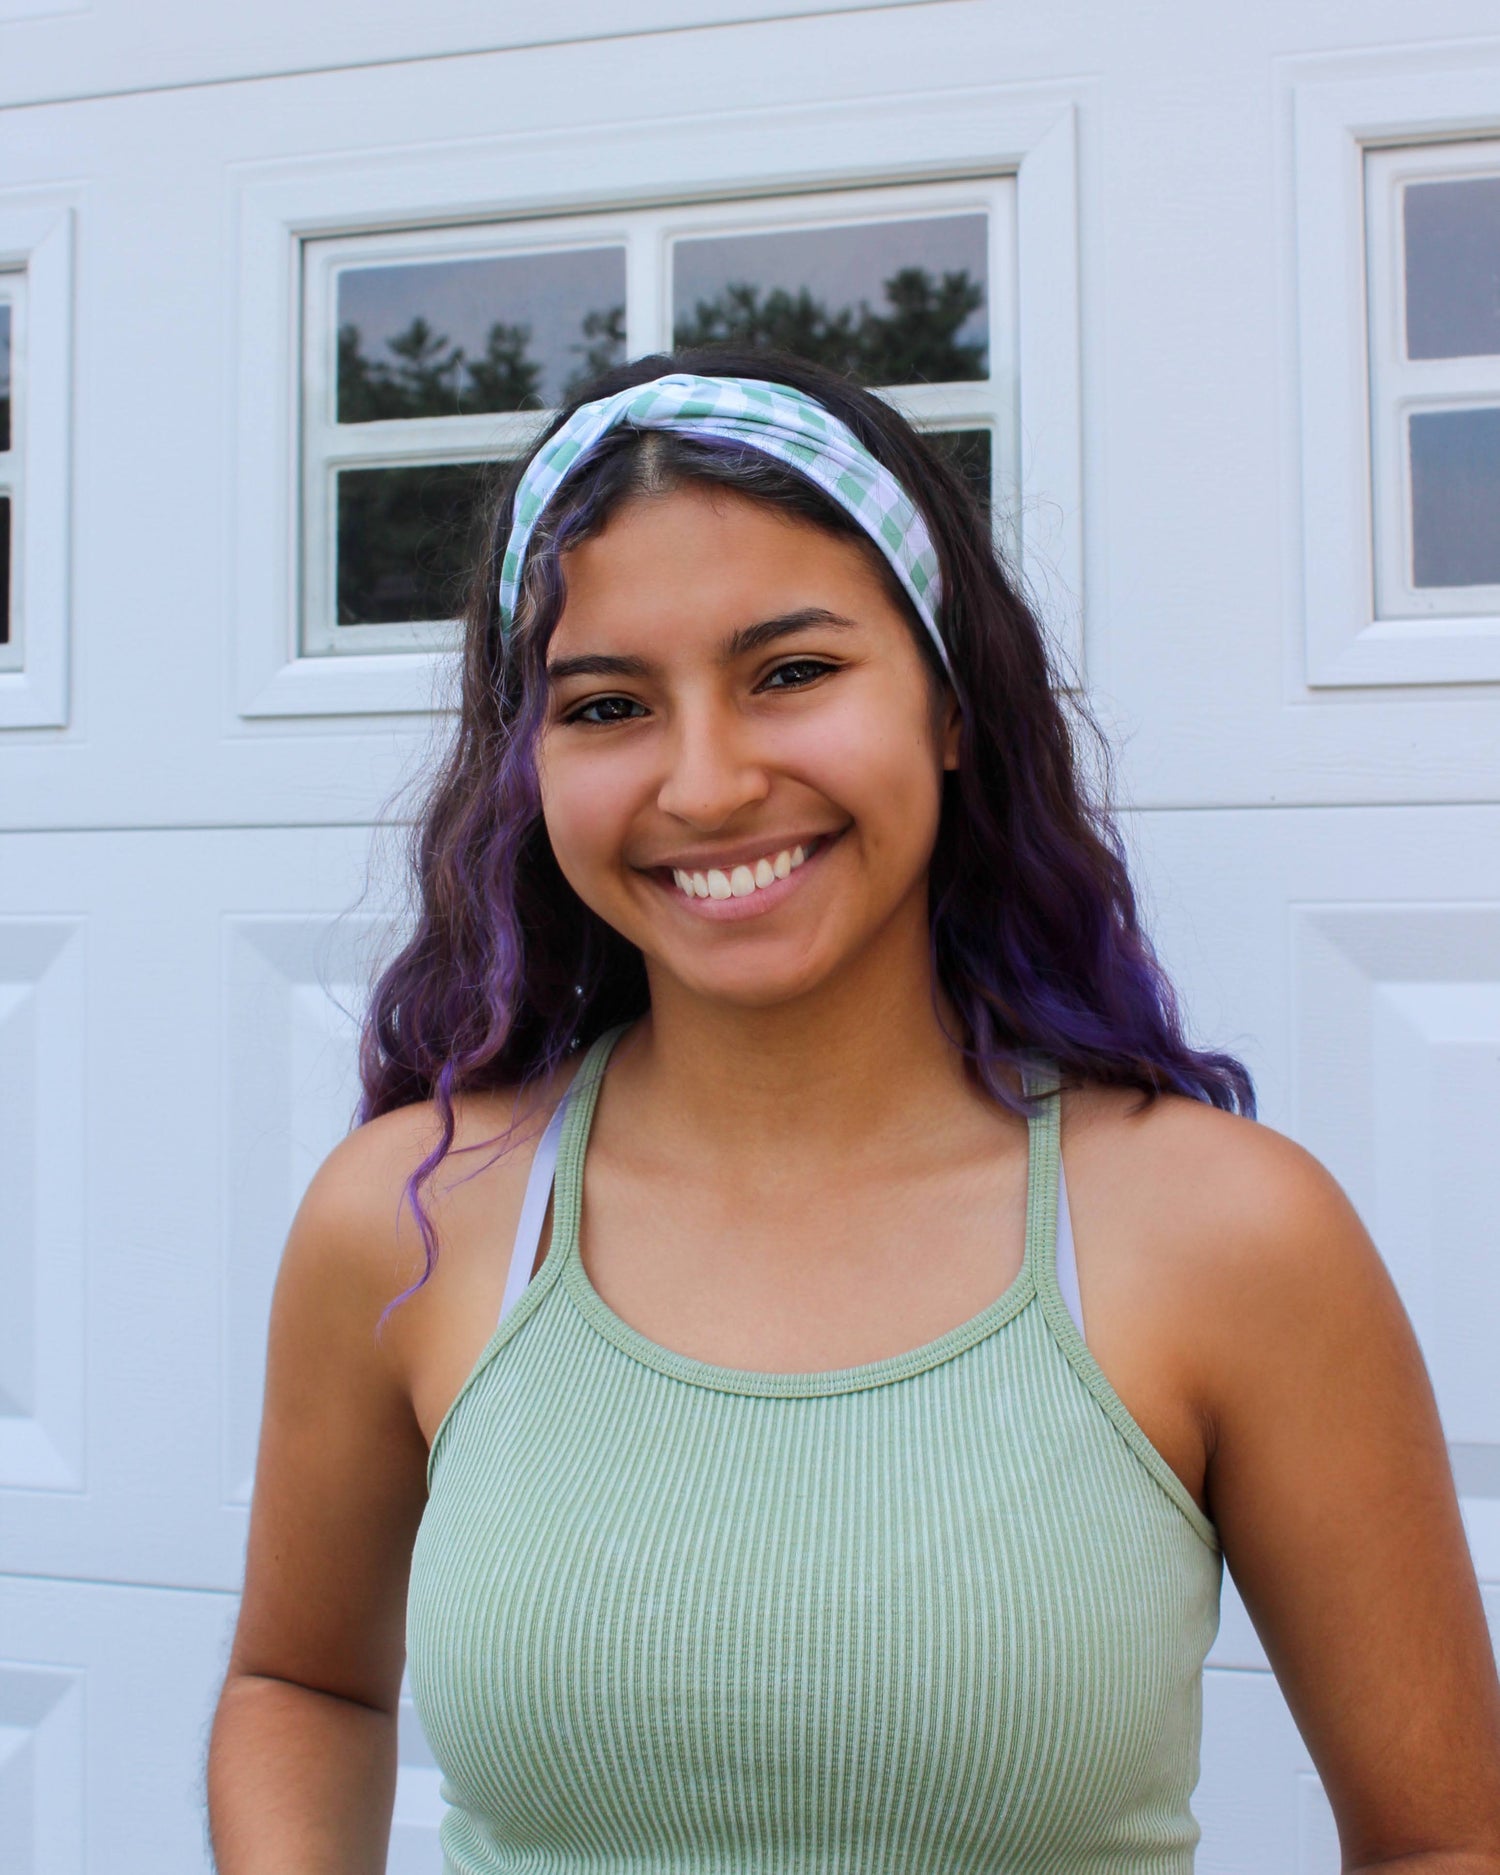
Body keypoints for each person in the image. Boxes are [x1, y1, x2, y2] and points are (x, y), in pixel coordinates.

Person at [206, 349, 1500, 1873]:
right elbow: (302, 1685)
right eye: (610, 704)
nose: (705, 782)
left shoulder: (1228, 1234)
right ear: (531, 768)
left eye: (793, 673)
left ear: (953, 706)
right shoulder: (414, 1218)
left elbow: (1444, 1837)